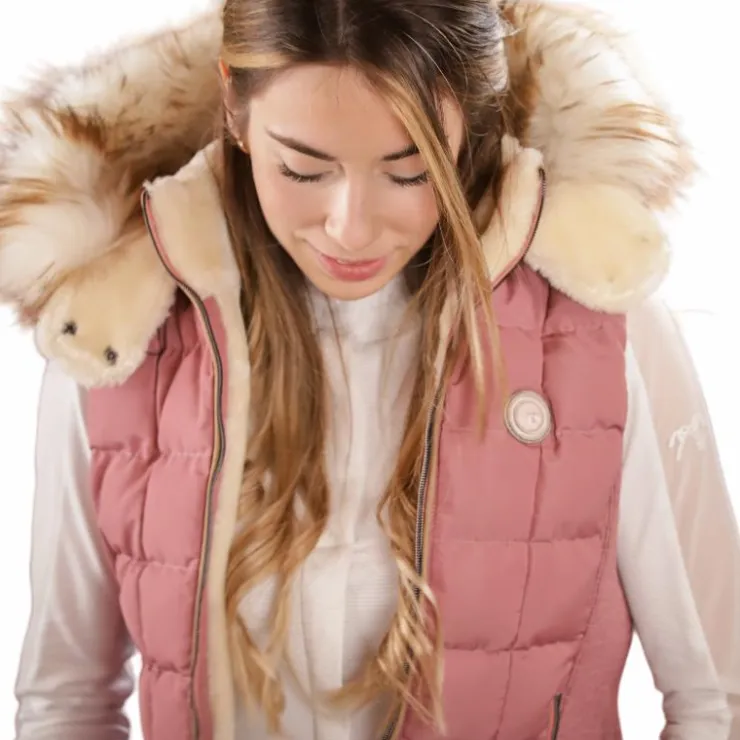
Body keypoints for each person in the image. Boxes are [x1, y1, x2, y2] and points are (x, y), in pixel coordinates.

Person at [1, 0, 738, 738]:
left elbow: (717, 701)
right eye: (303, 168)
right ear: (234, 106)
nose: (350, 228)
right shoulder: (113, 331)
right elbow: (67, 704)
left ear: (470, 125)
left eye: (410, 171)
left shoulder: (601, 325)